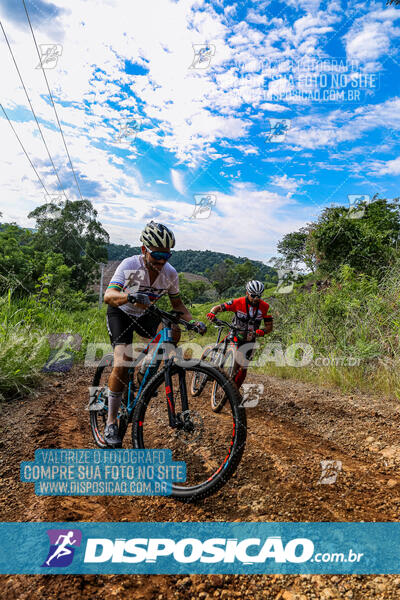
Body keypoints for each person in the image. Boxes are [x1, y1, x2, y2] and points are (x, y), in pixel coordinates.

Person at [103, 221, 206, 448]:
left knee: (173, 329)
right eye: (156, 254)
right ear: (144, 250)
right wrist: (129, 297)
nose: (161, 261)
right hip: (121, 312)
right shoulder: (130, 265)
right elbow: (109, 295)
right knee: (122, 362)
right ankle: (110, 422)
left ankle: (147, 370)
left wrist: (194, 322)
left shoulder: (170, 274)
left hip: (146, 314)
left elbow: (178, 305)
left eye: (166, 256)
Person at [206, 280, 273, 390]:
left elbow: (269, 327)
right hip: (236, 334)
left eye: (259, 296)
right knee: (237, 359)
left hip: (251, 338)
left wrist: (263, 331)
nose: (256, 298)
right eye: (253, 295)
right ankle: (214, 367)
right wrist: (212, 313)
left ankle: (234, 393)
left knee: (244, 368)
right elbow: (218, 307)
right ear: (247, 293)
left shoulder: (265, 307)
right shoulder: (238, 302)